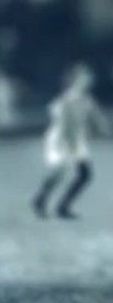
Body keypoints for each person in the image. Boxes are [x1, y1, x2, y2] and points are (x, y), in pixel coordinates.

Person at [33, 63, 109, 219]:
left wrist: (103, 129)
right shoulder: (68, 99)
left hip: (75, 139)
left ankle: (59, 205)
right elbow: (62, 121)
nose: (89, 80)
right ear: (76, 79)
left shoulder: (86, 100)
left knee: (84, 174)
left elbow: (98, 120)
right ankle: (43, 201)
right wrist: (70, 143)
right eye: (85, 77)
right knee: (61, 172)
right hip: (62, 139)